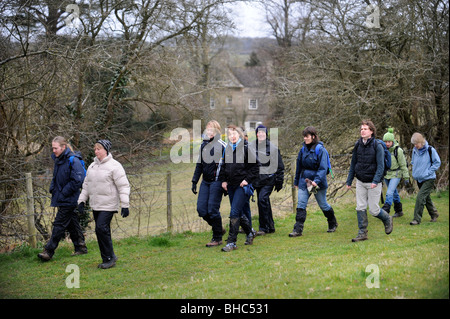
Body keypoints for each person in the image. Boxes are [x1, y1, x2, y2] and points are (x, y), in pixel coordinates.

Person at [77, 140, 130, 269]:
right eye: (95, 149)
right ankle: (110, 255)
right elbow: (86, 185)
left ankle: (108, 259)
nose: (96, 151)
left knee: (100, 229)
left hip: (109, 204)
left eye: (98, 149)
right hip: (96, 205)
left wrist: (125, 205)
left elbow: (123, 186)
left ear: (106, 150)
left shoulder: (115, 166)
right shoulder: (92, 166)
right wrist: (81, 201)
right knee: (102, 230)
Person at [38, 136, 87, 261]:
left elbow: (78, 180)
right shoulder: (59, 159)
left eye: (56, 148)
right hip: (63, 197)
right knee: (72, 223)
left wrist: (64, 193)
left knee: (59, 224)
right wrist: (52, 189)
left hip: (69, 199)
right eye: (52, 148)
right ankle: (81, 247)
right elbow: (56, 178)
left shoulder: (72, 160)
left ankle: (48, 251)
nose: (53, 150)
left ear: (63, 147)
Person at [346, 120, 393, 242]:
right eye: (361, 129)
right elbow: (353, 164)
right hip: (360, 181)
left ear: (371, 131)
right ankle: (362, 232)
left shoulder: (377, 146)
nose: (362, 131)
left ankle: (387, 218)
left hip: (373, 182)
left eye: (365, 129)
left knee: (373, 210)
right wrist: (349, 181)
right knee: (360, 207)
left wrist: (376, 180)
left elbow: (381, 166)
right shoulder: (358, 145)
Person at [289, 126, 337, 237]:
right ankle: (298, 229)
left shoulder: (321, 150)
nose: (305, 139)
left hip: (317, 183)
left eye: (307, 136)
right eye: (304, 136)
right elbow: (299, 166)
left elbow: (323, 168)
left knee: (323, 205)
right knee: (301, 203)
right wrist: (296, 181)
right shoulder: (302, 150)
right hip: (304, 181)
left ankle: (332, 222)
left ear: (313, 136)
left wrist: (316, 181)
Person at [219, 125, 260, 252]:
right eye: (230, 134)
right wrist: (224, 180)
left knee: (234, 212)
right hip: (231, 185)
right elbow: (224, 167)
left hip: (243, 186)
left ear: (239, 135)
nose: (232, 136)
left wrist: (247, 180)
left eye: (234, 134)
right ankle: (250, 232)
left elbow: (256, 167)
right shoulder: (227, 149)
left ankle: (232, 242)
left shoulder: (246, 148)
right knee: (238, 213)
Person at [192, 120, 227, 247]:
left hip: (217, 182)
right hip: (205, 182)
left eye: (212, 130)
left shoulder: (223, 145)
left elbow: (228, 165)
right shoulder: (203, 145)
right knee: (201, 210)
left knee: (212, 209)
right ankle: (219, 228)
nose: (209, 132)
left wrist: (225, 181)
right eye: (208, 129)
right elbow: (199, 164)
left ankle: (217, 237)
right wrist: (194, 180)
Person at [252, 124, 284, 236]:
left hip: (269, 179)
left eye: (263, 132)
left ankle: (263, 227)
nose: (261, 134)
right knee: (264, 202)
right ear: (256, 134)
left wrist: (279, 182)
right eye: (259, 132)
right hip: (257, 180)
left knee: (262, 200)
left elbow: (280, 166)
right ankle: (270, 226)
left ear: (266, 134)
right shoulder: (252, 147)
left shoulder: (273, 148)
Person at [410, 133, 441, 225]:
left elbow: (437, 162)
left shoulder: (430, 150)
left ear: (421, 142)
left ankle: (416, 219)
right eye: (414, 144)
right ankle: (434, 214)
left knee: (420, 197)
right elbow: (413, 162)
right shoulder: (414, 150)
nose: (415, 146)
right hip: (419, 178)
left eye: (417, 143)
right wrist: (415, 172)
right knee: (426, 198)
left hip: (429, 178)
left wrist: (428, 172)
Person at [381, 128, 409, 218]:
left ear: (392, 141)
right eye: (385, 142)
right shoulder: (382, 150)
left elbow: (403, 164)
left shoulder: (398, 151)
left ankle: (385, 211)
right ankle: (399, 211)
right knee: (394, 193)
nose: (387, 144)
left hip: (396, 174)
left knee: (389, 192)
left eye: (389, 141)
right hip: (386, 174)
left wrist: (406, 177)